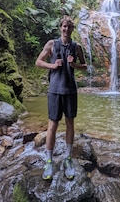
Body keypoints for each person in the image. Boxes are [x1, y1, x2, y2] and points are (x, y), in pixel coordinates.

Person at [35, 15, 87, 180]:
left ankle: (68, 158)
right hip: (55, 90)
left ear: (72, 29)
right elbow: (38, 62)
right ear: (60, 28)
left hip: (71, 90)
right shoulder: (52, 44)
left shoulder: (76, 46)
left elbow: (85, 66)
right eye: (64, 26)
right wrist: (53, 65)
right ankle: (49, 160)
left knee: (70, 124)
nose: (66, 29)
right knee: (52, 126)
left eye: (69, 27)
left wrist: (74, 65)